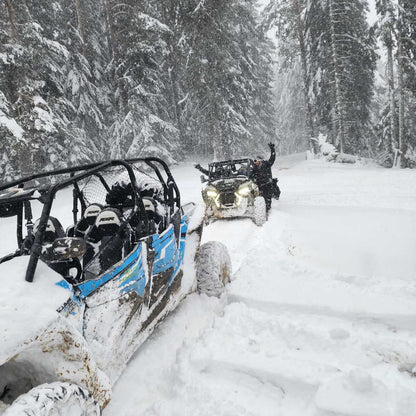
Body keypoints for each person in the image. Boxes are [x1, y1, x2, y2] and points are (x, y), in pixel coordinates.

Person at [252, 142, 280, 211]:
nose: (256, 163)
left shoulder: (266, 164)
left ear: (261, 161)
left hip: (267, 185)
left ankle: (268, 210)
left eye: (257, 161)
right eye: (255, 161)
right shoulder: (253, 168)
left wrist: (272, 149)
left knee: (267, 200)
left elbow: (272, 159)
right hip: (258, 186)